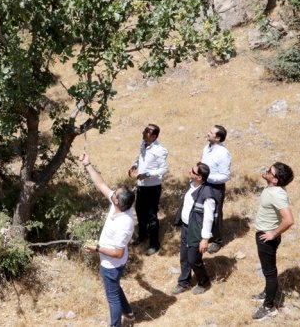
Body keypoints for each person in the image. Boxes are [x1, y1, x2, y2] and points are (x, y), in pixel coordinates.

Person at [81, 153, 136, 327]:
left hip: (112, 264)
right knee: (115, 288)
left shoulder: (125, 223)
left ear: (119, 201)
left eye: (115, 194)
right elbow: (100, 184)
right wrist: (87, 164)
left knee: (112, 298)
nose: (113, 193)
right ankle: (129, 314)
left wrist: (96, 248)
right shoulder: (118, 204)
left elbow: (118, 253)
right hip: (111, 262)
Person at [252, 162, 295, 321]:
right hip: (265, 234)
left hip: (266, 237)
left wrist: (273, 234)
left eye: (269, 171)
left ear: (275, 180)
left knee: (270, 272)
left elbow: (289, 220)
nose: (266, 170)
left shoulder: (276, 194)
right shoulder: (272, 189)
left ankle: (269, 306)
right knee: (267, 270)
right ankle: (266, 293)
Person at [171, 162, 215, 295]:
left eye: (192, 171)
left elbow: (208, 218)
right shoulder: (191, 186)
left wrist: (205, 239)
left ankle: (204, 281)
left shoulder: (207, 194)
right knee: (184, 256)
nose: (189, 171)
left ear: (200, 177)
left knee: (193, 259)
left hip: (197, 231)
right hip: (186, 227)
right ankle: (184, 282)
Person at [128, 124, 168, 255]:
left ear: (154, 136)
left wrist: (147, 174)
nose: (143, 132)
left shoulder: (160, 150)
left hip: (152, 188)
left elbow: (163, 169)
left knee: (151, 216)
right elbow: (141, 159)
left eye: (147, 131)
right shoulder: (143, 144)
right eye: (144, 130)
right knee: (139, 211)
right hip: (141, 186)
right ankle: (142, 236)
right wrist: (135, 166)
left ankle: (154, 244)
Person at [200, 125, 231, 253]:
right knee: (203, 210)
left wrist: (207, 177)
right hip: (203, 184)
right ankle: (205, 234)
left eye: (211, 132)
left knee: (215, 213)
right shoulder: (206, 149)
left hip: (215, 187)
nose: (208, 133)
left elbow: (225, 176)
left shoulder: (223, 153)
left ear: (217, 138)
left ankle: (217, 240)